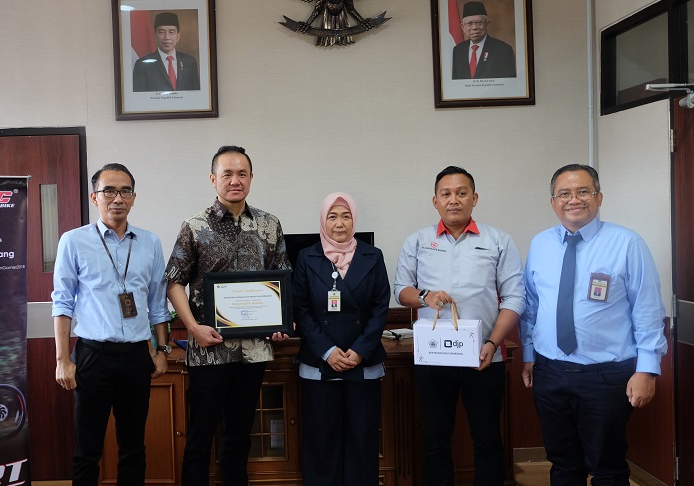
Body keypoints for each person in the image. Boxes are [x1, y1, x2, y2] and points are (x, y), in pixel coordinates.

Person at [520, 164, 668, 484]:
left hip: (605, 375)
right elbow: (531, 305)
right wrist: (529, 355)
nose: (573, 199)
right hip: (550, 371)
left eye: (583, 191)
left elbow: (647, 310)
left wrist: (647, 369)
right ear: (553, 202)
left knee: (607, 466)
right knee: (562, 463)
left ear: (599, 197)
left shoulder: (627, 243)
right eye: (564, 193)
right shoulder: (540, 244)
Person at [165, 145, 290, 486]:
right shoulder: (195, 226)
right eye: (227, 174)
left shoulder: (269, 224)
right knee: (201, 433)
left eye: (242, 174)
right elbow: (174, 282)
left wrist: (281, 322)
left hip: (254, 350)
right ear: (213, 179)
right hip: (209, 349)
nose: (235, 181)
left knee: (239, 433)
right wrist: (193, 328)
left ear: (251, 177)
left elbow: (283, 278)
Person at [393, 165, 525, 485]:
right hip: (435, 357)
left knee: (488, 439)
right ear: (435, 201)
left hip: (484, 356)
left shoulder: (498, 240)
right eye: (446, 194)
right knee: (435, 440)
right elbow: (401, 291)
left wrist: (492, 343)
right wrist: (425, 296)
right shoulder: (418, 241)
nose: (454, 200)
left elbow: (514, 297)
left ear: (474, 198)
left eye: (462, 193)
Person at [52, 163, 171, 486]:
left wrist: (161, 350)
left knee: (133, 447)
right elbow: (62, 302)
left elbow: (158, 303)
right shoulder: (73, 241)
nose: (117, 198)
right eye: (109, 191)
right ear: (95, 197)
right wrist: (62, 360)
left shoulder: (150, 242)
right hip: (92, 356)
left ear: (133, 197)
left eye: (125, 191)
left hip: (136, 357)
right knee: (87, 449)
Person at [292, 192, 390, 486]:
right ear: (323, 221)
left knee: (362, 439)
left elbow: (380, 308)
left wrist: (359, 350)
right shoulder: (307, 257)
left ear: (354, 220)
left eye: (346, 216)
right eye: (332, 216)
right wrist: (328, 350)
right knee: (322, 441)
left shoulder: (373, 256)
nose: (339, 223)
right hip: (320, 361)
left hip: (363, 361)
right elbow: (300, 309)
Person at [132, 12, 201, 92]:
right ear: (155, 36)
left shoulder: (189, 62)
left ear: (178, 36)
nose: (167, 37)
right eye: (162, 32)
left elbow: (196, 93)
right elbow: (139, 97)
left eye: (171, 32)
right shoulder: (142, 64)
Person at [451, 2, 516, 80]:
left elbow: (508, 84)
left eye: (479, 23)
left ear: (487, 25)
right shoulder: (457, 50)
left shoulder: (503, 50)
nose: (474, 27)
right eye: (469, 23)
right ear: (463, 27)